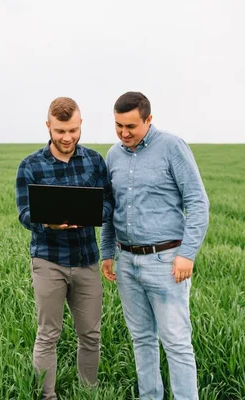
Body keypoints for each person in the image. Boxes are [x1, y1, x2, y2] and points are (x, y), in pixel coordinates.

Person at [100, 92, 210, 400]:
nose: (124, 133)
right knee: (141, 339)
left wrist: (187, 254)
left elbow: (198, 202)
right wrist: (107, 252)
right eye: (118, 125)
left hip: (166, 261)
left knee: (176, 341)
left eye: (131, 126)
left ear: (149, 119)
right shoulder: (113, 155)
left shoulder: (172, 147)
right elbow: (111, 207)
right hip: (126, 260)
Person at [15, 97, 113, 399]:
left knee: (91, 335)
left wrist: (92, 214)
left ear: (80, 124)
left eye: (72, 130)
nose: (67, 137)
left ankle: (88, 391)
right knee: (48, 334)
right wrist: (50, 223)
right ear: (48, 127)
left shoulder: (95, 161)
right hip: (48, 260)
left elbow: (109, 203)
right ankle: (48, 396)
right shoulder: (30, 165)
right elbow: (24, 213)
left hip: (86, 260)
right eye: (60, 131)